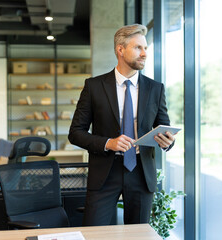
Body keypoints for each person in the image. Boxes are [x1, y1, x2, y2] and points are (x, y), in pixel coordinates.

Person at [68, 24, 175, 226]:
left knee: (138, 236)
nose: (144, 54)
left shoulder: (155, 89)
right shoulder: (94, 86)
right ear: (120, 49)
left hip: (141, 173)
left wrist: (167, 141)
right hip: (105, 173)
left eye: (145, 48)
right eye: (138, 48)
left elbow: (164, 129)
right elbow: (75, 133)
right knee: (95, 234)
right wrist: (109, 143)